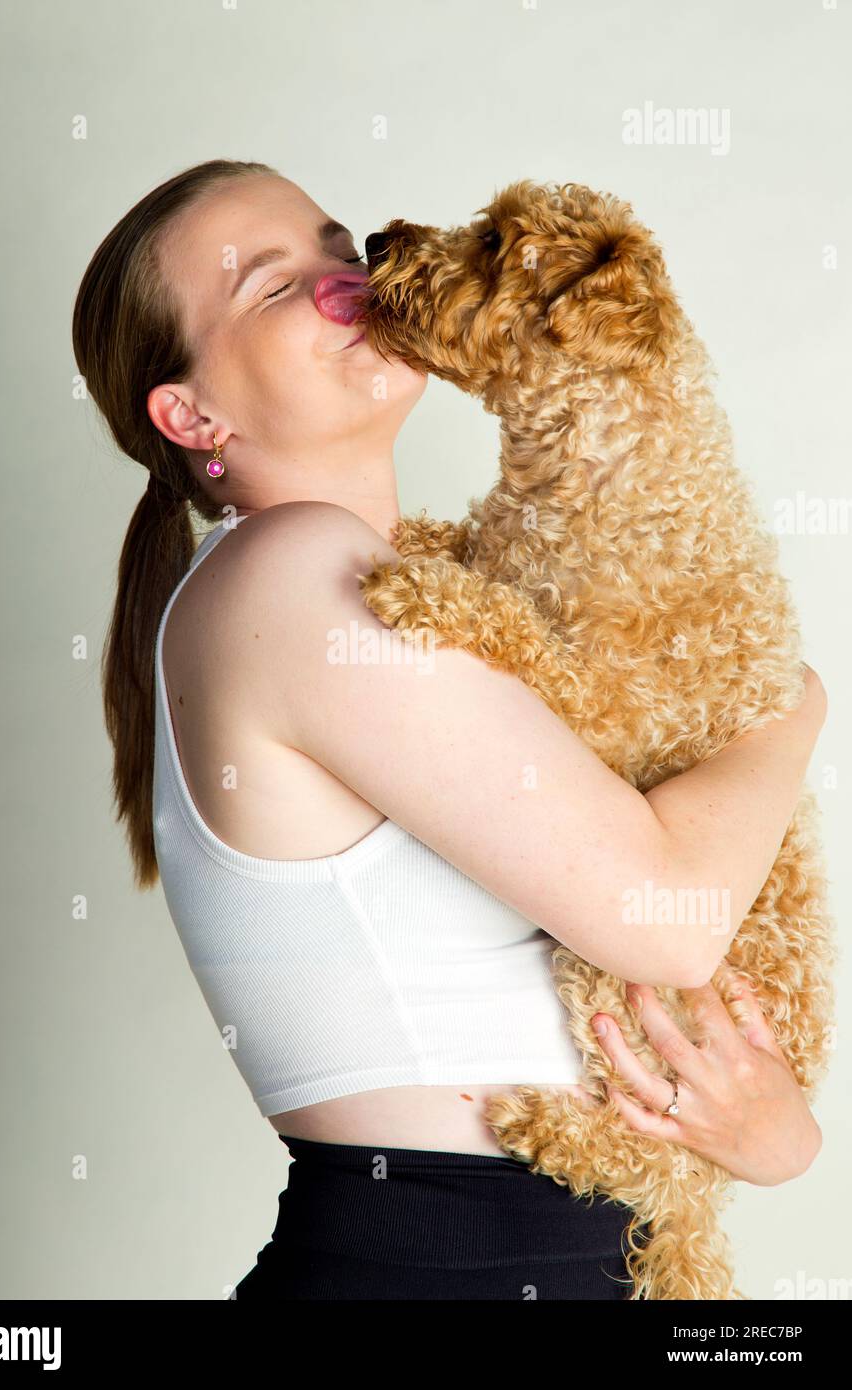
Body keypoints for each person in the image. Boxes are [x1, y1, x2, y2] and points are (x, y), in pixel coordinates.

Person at [72, 159, 827, 1300]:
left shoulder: (423, 583)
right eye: (274, 286)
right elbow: (665, 916)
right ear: (191, 415)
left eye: (337, 245)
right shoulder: (289, 576)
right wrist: (796, 702)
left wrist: (784, 1142)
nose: (345, 281)